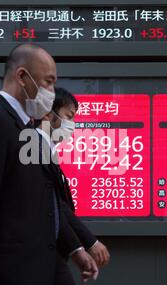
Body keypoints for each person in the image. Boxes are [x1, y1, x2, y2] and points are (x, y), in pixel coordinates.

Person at [0, 44, 98, 285]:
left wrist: (74, 250)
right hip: (5, 281)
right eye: (48, 82)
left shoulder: (26, 130)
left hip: (36, 273)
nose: (51, 93)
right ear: (21, 76)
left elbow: (46, 202)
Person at [37, 87, 111, 269]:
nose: (72, 124)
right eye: (68, 116)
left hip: (52, 252)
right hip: (40, 253)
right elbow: (56, 207)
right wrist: (85, 244)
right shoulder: (35, 151)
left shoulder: (47, 151)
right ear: (48, 114)